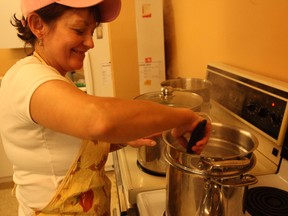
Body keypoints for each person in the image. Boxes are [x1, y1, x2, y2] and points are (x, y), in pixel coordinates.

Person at [0, 0, 211, 215]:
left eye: (92, 31)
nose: (90, 42)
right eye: (79, 29)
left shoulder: (53, 77)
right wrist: (184, 117)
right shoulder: (27, 78)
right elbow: (99, 118)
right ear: (37, 25)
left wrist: (118, 140)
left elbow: (59, 149)